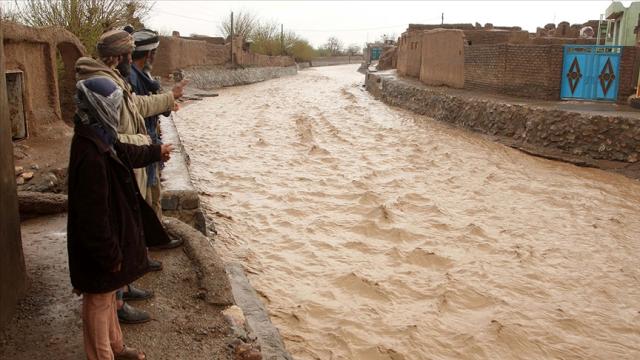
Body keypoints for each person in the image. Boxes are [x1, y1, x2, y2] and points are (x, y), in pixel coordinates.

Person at [75, 28, 185, 324]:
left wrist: (165, 99)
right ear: (122, 56)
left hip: (127, 157)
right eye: (128, 52)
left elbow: (134, 107)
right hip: (121, 161)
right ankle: (118, 301)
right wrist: (150, 147)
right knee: (118, 226)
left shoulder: (111, 78)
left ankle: (122, 287)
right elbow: (117, 134)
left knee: (128, 222)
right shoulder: (103, 85)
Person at [67, 76, 174, 360]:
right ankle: (102, 355)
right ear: (99, 107)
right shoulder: (90, 153)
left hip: (107, 240)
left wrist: (155, 152)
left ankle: (116, 347)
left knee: (107, 296)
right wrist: (109, 254)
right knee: (99, 302)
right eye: (112, 105)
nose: (116, 111)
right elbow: (93, 217)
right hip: (99, 247)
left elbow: (124, 151)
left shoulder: (98, 136)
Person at [127, 28, 169, 219]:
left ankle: (156, 236)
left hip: (150, 145)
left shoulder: (144, 76)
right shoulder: (133, 78)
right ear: (149, 54)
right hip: (142, 146)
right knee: (147, 198)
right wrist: (170, 98)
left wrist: (167, 104)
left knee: (153, 196)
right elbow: (140, 108)